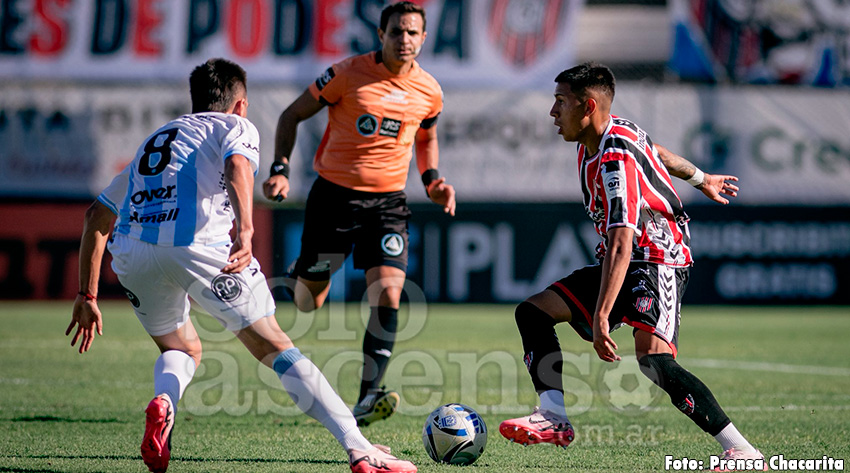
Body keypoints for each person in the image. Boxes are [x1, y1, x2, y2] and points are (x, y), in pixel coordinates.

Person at [65, 58, 417, 473]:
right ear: (240, 105)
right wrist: (246, 231)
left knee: (181, 348)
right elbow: (236, 166)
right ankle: (360, 449)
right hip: (201, 249)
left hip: (135, 253)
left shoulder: (154, 141)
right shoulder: (234, 125)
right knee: (276, 347)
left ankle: (164, 400)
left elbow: (96, 216)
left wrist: (87, 294)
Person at [498, 63, 764, 466]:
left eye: (560, 102)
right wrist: (701, 178)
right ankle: (553, 417)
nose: (553, 111)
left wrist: (602, 315)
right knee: (533, 313)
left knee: (654, 361)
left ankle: (741, 450)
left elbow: (623, 240)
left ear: (588, 106)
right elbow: (657, 153)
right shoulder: (610, 133)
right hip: (624, 258)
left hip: (658, 259)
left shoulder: (614, 158)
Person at [262, 1, 455, 427]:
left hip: (388, 206)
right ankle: (302, 274)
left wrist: (433, 181)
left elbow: (426, 137)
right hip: (333, 199)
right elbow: (292, 114)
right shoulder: (347, 73)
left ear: (423, 38)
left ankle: (368, 395)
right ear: (381, 35)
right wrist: (280, 170)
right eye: (396, 32)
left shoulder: (429, 90)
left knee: (388, 293)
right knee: (308, 301)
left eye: (412, 33)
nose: (404, 40)